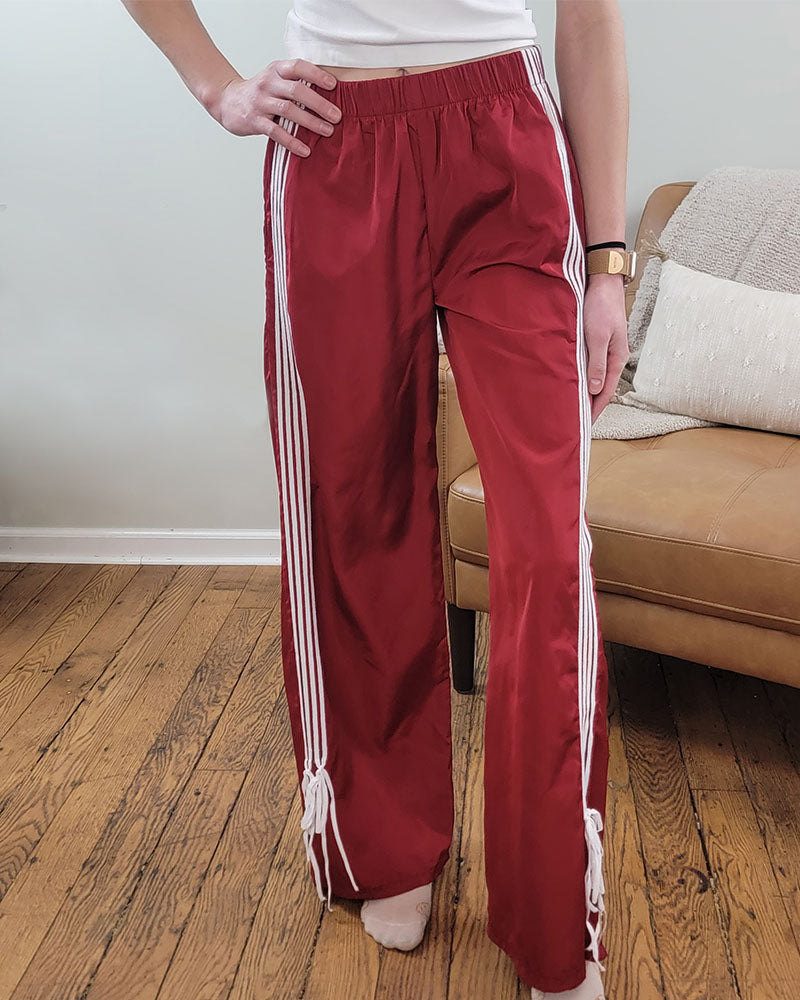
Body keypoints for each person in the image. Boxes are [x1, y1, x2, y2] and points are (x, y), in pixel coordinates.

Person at [121, 2, 631, 997]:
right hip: (333, 142)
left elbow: (591, 16)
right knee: (354, 516)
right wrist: (217, 87)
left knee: (544, 545)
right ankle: (386, 842)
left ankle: (553, 909)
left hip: (505, 142)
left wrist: (607, 262)